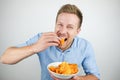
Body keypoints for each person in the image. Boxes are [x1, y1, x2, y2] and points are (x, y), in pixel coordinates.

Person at [0, 4, 100, 80]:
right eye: (60, 24)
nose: (63, 31)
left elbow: (95, 77)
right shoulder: (42, 39)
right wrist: (35, 47)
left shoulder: (85, 46)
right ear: (55, 24)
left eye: (70, 27)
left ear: (77, 31)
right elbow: (4, 58)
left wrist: (79, 79)